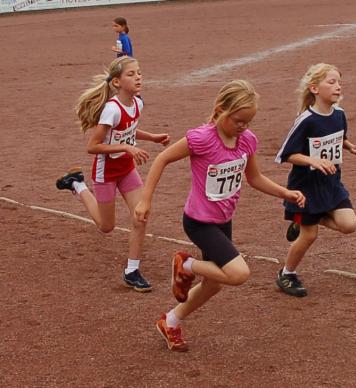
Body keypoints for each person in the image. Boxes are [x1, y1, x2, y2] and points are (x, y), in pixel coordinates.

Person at [135, 80, 305, 351]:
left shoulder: (247, 141)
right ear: (220, 110)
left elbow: (255, 178)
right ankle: (185, 265)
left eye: (248, 122)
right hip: (199, 222)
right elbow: (162, 159)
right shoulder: (201, 138)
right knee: (238, 274)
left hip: (223, 221)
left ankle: (171, 321)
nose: (243, 127)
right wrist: (145, 200)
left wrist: (285, 193)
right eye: (238, 120)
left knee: (213, 285)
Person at [56, 56, 170, 292]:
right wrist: (126, 147)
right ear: (117, 82)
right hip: (105, 172)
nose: (138, 77)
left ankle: (132, 270)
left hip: (126, 169)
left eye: (139, 72)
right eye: (131, 74)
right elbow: (93, 146)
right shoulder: (111, 110)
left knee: (141, 215)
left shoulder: (137, 103)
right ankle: (77, 185)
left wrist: (153, 137)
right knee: (106, 226)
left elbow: (130, 130)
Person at [274, 63, 356, 298]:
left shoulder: (339, 114)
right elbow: (285, 155)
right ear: (314, 88)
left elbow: (338, 137)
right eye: (331, 82)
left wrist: (350, 145)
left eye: (339, 82)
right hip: (306, 188)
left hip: (332, 184)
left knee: (349, 225)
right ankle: (287, 273)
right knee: (310, 235)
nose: (338, 86)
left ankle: (300, 218)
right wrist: (312, 161)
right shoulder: (306, 119)